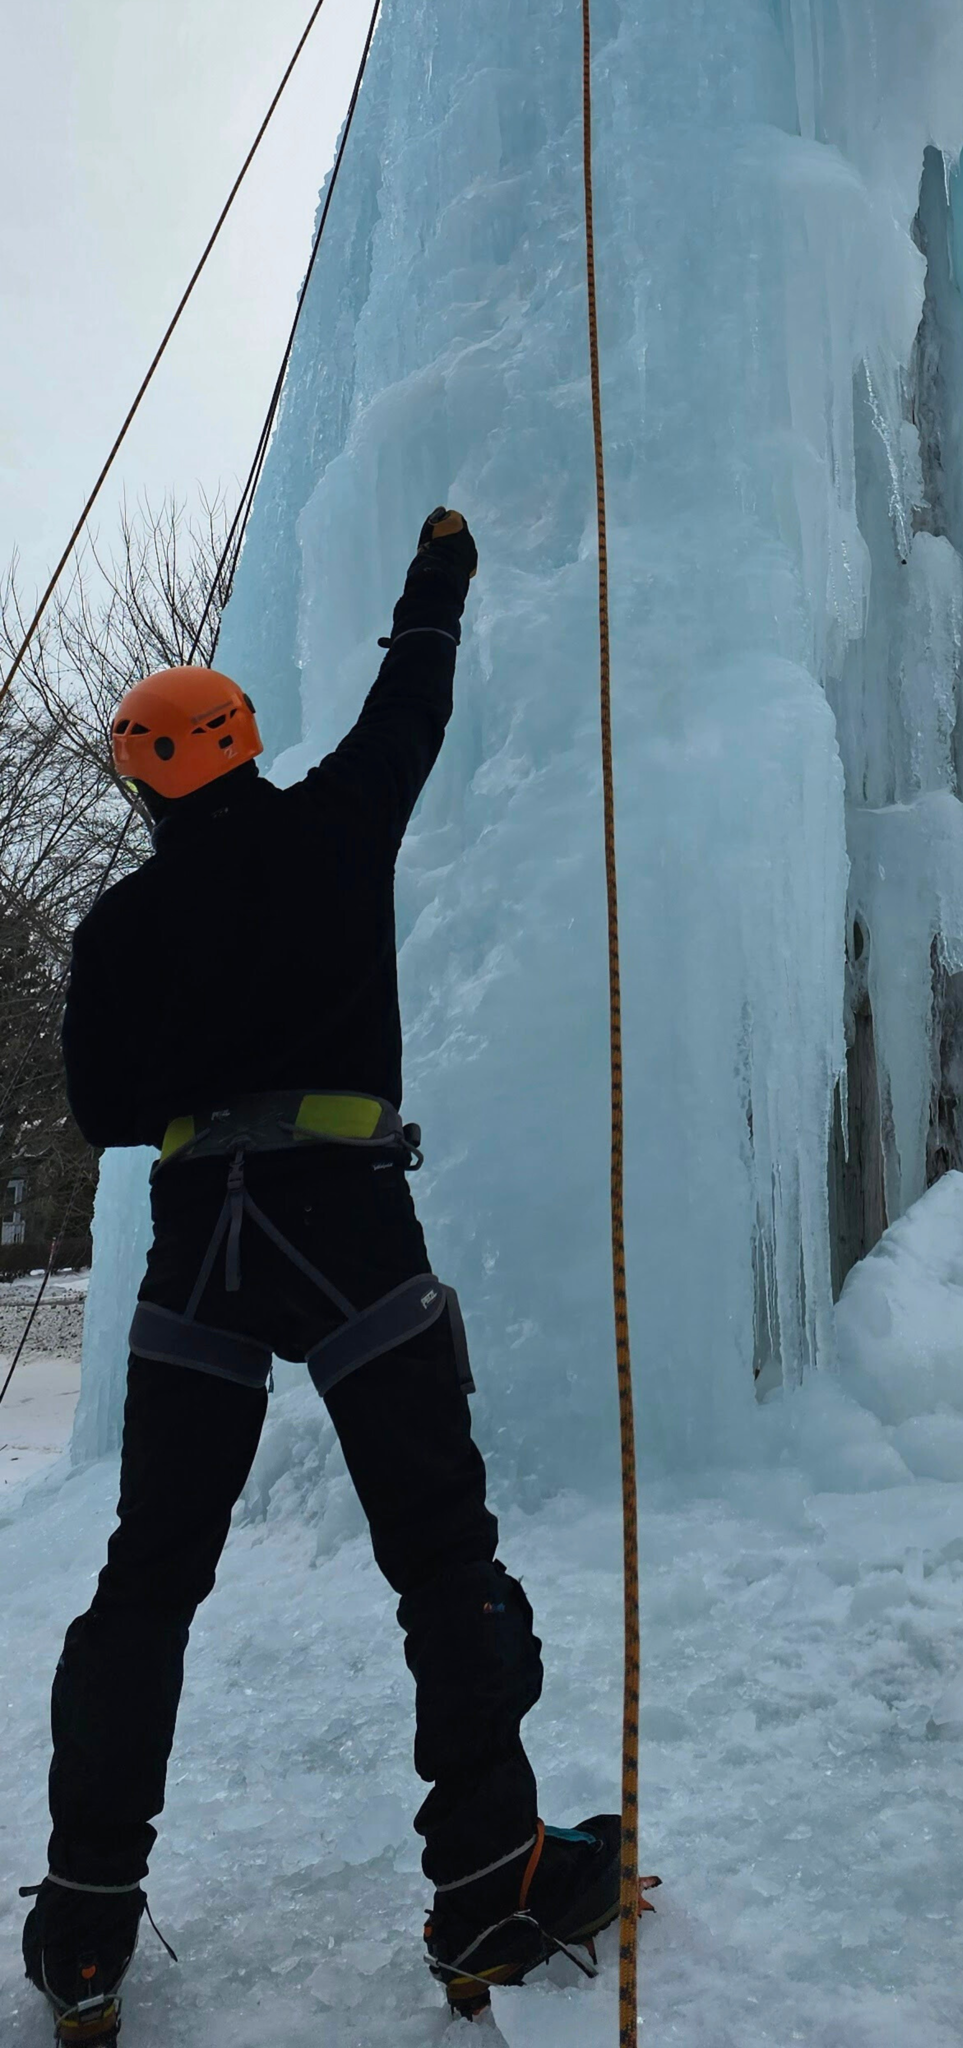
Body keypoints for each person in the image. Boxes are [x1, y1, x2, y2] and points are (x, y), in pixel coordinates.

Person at [23, 510, 619, 2041]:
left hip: (199, 1246)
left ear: (136, 775)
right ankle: (492, 1870)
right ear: (245, 742)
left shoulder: (120, 920)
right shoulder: (340, 820)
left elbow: (99, 1114)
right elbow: (411, 701)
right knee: (438, 1549)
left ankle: (84, 1921)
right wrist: (440, 574)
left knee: (149, 1580)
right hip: (347, 1223)